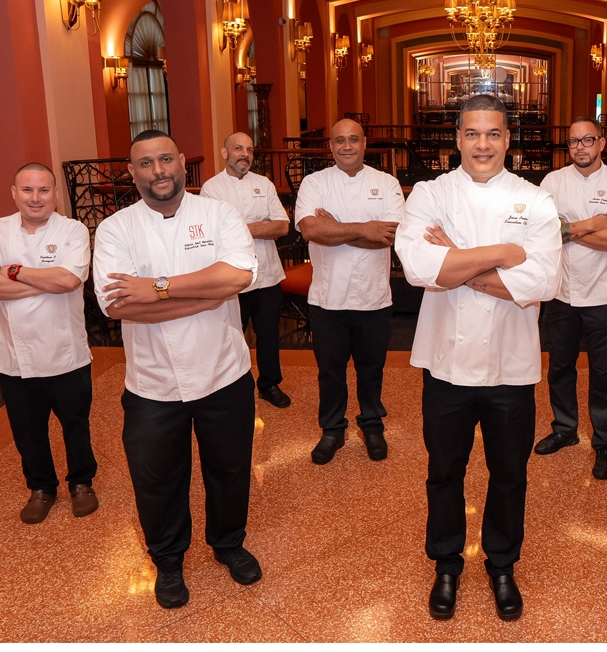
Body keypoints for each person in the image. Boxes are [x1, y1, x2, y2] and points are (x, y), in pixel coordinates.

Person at [395, 95, 562, 622]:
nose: (483, 144)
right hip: (445, 363)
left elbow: (544, 281)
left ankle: (502, 564)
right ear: (458, 139)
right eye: (472, 133)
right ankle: (447, 564)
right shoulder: (430, 193)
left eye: (493, 134)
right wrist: (504, 255)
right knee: (444, 470)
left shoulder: (535, 201)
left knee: (509, 472)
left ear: (508, 139)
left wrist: (457, 259)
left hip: (511, 366)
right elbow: (420, 269)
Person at [93, 129, 261, 610]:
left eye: (166, 159)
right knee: (157, 477)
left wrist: (159, 287)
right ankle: (168, 561)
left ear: (183, 161)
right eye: (145, 164)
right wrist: (206, 294)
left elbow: (239, 276)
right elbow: (117, 305)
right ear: (131, 172)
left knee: (229, 468)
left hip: (223, 373)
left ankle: (228, 544)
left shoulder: (217, 213)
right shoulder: (115, 229)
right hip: (152, 382)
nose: (158, 171)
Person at [0, 163, 98, 524]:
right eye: (27, 190)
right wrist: (46, 280)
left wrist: (12, 271)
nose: (36, 197)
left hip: (65, 351)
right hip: (14, 355)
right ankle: (41, 487)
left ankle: (82, 483)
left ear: (55, 194)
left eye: (44, 190)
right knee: (27, 429)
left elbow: (70, 280)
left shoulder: (72, 230)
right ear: (14, 193)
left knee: (76, 423)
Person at [294, 118, 404, 464]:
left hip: (374, 297)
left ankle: (372, 424)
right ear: (329, 146)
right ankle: (332, 429)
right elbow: (311, 230)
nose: (346, 146)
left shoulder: (386, 184)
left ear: (365, 143)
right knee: (330, 370)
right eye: (339, 140)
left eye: (353, 139)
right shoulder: (314, 183)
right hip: (327, 297)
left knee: (371, 368)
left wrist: (336, 228)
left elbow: (389, 237)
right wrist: (364, 229)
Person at [535, 116, 607, 480]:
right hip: (561, 293)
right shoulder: (552, 181)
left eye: (587, 140)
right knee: (560, 368)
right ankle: (564, 429)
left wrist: (570, 229)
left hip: (605, 296)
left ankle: (604, 444)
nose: (580, 147)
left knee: (605, 374)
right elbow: (547, 233)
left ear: (602, 143)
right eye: (574, 141)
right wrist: (596, 222)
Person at [200, 131, 292, 409]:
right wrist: (261, 226)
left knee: (268, 334)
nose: (245, 154)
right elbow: (216, 234)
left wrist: (240, 228)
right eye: (238, 148)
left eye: (250, 150)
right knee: (230, 334)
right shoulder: (212, 189)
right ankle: (230, 385)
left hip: (268, 274)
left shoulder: (264, 184)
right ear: (224, 152)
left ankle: (269, 384)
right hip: (231, 277)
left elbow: (282, 226)